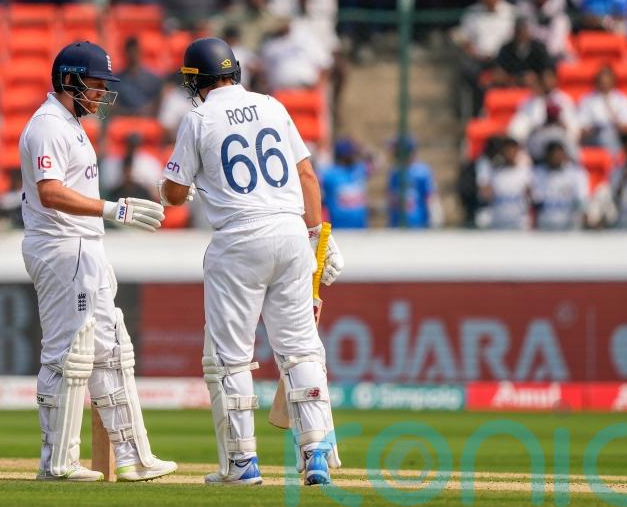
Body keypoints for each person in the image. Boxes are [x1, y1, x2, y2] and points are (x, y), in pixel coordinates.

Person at [159, 37, 344, 486]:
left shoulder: (198, 118)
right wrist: (317, 238)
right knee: (300, 348)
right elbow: (306, 177)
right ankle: (316, 450)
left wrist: (183, 183)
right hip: (291, 233)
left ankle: (242, 464)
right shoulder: (272, 105)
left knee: (230, 359)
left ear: (196, 81)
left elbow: (175, 195)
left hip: (239, 240)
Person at [20, 41, 175, 482]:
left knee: (112, 351)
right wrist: (114, 209)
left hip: (85, 248)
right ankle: (58, 462)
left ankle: (133, 457)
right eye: (95, 83)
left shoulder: (70, 125)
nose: (102, 92)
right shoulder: (48, 125)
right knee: (68, 355)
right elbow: (50, 192)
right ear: (69, 80)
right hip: (62, 247)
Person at [387, 136, 444, 229]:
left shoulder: (422, 171)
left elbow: (431, 197)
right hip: (396, 226)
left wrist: (436, 219)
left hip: (417, 226)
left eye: (396, 151)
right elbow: (391, 199)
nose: (393, 154)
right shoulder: (394, 172)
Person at [531, 141, 590, 230]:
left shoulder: (576, 174)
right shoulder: (537, 173)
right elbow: (536, 201)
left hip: (568, 228)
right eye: (552, 154)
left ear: (564, 155)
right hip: (545, 227)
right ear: (547, 156)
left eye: (559, 153)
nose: (556, 157)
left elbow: (582, 201)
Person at [477, 137, 533, 229]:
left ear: (517, 151)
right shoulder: (494, 172)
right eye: (507, 150)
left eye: (512, 150)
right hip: (499, 224)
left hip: (519, 224)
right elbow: (485, 195)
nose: (510, 153)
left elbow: (532, 197)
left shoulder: (526, 173)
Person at [578, 65, 627, 155]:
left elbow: (626, 126)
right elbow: (582, 127)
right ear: (597, 81)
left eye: (607, 79)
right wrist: (595, 129)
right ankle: (614, 164)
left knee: (611, 137)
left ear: (613, 81)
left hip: (617, 136)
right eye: (601, 80)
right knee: (606, 136)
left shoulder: (622, 100)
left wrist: (615, 123)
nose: (604, 83)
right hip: (594, 137)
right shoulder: (587, 100)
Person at [321, 138, 370, 229]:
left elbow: (379, 162)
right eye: (351, 153)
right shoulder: (329, 174)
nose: (354, 156)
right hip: (339, 230)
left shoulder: (360, 169)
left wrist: (362, 150)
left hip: (361, 229)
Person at [115, 36, 163, 117]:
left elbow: (157, 101)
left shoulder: (152, 79)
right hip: (123, 119)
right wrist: (130, 113)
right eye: (130, 51)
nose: (133, 54)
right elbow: (113, 104)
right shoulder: (116, 79)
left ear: (140, 52)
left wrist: (144, 111)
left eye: (135, 51)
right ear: (125, 53)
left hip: (146, 119)